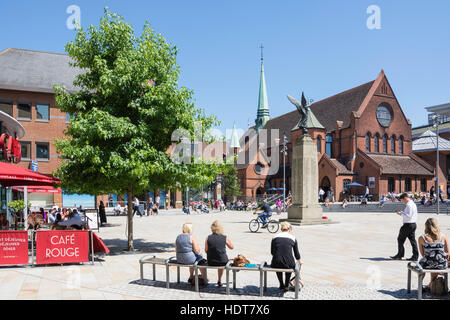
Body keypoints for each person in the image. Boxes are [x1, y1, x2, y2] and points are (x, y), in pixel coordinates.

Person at [270, 222, 302, 292]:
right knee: (289, 262)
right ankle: (286, 285)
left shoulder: (274, 237)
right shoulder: (293, 238)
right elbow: (296, 253)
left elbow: (272, 252)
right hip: (289, 263)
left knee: (278, 262)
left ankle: (281, 284)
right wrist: (300, 261)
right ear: (289, 229)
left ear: (282, 229)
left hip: (276, 262)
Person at [418, 218, 449, 289]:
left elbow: (423, 254)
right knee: (436, 260)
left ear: (426, 226)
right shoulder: (443, 236)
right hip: (441, 264)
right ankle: (431, 283)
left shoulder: (422, 237)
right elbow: (448, 252)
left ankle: (420, 284)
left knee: (424, 261)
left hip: (428, 264)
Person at [390, 193, 419, 261]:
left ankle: (400, 255)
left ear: (405, 198)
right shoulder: (413, 204)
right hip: (413, 224)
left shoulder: (409, 205)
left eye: (402, 200)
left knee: (400, 239)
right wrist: (403, 213)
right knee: (413, 241)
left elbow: (408, 215)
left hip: (408, 225)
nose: (402, 202)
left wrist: (401, 213)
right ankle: (415, 256)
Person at [205, 220, 234, 287]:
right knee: (222, 260)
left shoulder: (208, 238)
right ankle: (219, 280)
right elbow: (232, 247)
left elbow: (206, 250)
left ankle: (207, 279)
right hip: (222, 261)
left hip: (211, 261)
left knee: (219, 258)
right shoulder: (224, 237)